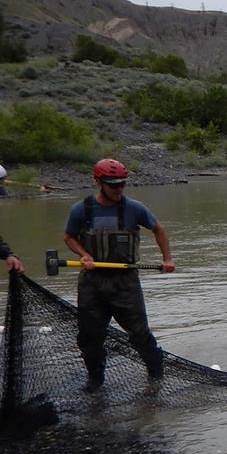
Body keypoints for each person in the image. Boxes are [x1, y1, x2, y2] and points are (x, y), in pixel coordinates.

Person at [63, 159, 175, 394]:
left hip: (125, 282)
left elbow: (158, 228)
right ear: (98, 182)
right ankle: (95, 380)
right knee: (89, 337)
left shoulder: (134, 208)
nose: (118, 189)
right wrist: (83, 254)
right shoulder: (81, 209)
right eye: (113, 185)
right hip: (92, 283)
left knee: (139, 334)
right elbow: (69, 237)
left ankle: (156, 377)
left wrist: (167, 259)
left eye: (122, 184)